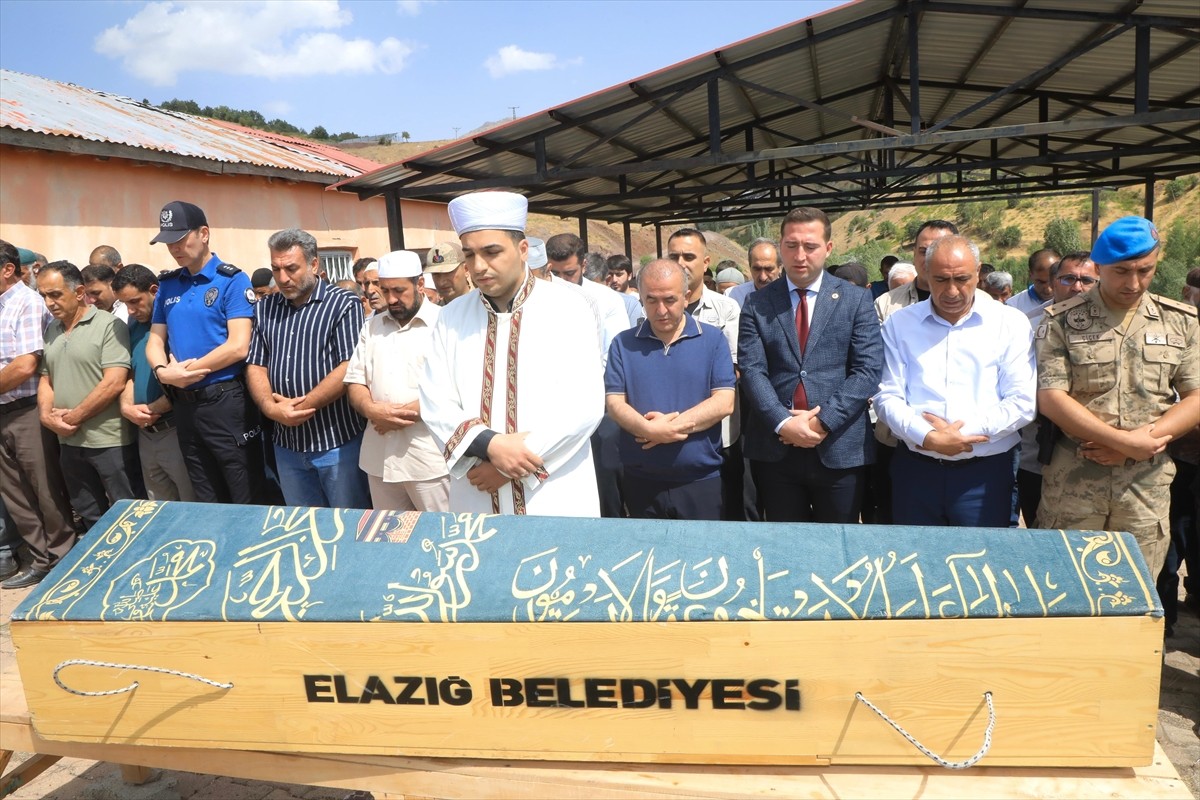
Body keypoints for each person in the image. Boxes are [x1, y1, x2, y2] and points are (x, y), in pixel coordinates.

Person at [419, 191, 604, 516]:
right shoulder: (451, 316)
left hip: (553, 490)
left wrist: (508, 465)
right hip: (477, 487)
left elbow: (585, 406)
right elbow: (435, 401)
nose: (479, 266)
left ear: (522, 250)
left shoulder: (570, 308)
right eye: (470, 255)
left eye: (492, 252)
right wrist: (490, 445)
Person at [1036, 217, 1199, 578]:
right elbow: (1051, 397)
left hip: (1145, 485)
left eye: (1145, 270)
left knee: (1137, 591)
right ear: (1098, 267)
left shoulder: (1180, 321)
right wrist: (1123, 442)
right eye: (1122, 271)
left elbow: (1195, 397)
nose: (1134, 282)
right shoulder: (1061, 321)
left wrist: (1144, 441)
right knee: (1066, 586)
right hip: (1076, 483)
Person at [874, 236, 1036, 527]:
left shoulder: (1009, 324)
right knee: (916, 563)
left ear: (978, 275)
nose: (951, 291)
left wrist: (958, 437)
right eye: (940, 280)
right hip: (916, 473)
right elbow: (887, 396)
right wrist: (927, 436)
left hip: (985, 475)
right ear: (925, 274)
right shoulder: (900, 324)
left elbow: (1022, 401)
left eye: (961, 279)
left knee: (981, 565)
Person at [739, 207, 883, 523]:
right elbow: (752, 369)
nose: (800, 255)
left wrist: (823, 422)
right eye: (791, 245)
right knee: (787, 548)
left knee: (838, 546)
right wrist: (783, 422)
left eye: (810, 246)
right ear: (781, 246)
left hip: (840, 446)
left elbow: (867, 369)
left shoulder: (855, 299)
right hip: (777, 449)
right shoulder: (758, 303)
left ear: (828, 248)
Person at [145, 200, 268, 505]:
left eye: (180, 239)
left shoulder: (231, 280)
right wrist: (165, 373)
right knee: (205, 493)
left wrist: (186, 372)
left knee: (244, 491)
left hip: (225, 401)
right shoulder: (168, 285)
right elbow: (155, 341)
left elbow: (239, 345)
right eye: (168, 242)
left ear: (204, 233)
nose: (174, 248)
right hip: (184, 406)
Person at [247, 229, 369, 509]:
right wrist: (270, 407)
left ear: (314, 265)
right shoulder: (265, 308)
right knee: (303, 531)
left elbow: (349, 366)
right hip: (287, 447)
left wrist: (301, 407)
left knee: (348, 527)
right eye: (276, 269)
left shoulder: (343, 304)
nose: (282, 278)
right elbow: (256, 365)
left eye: (291, 268)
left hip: (337, 444)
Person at [604, 259, 735, 519]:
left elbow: (724, 401)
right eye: (651, 300)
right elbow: (615, 403)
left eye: (669, 300)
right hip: (641, 480)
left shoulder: (712, 339)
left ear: (686, 297)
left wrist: (669, 429)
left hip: (700, 481)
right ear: (640, 297)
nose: (661, 310)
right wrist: (649, 430)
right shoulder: (624, 344)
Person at [345, 250, 449, 511]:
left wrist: (393, 416)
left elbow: (454, 387)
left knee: (441, 539)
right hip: (379, 459)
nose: (391, 299)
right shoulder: (372, 326)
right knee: (392, 541)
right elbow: (355, 381)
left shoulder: (445, 323)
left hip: (428, 460)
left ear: (420, 284)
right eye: (385, 289)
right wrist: (371, 410)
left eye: (399, 290)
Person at [36, 261, 136, 532]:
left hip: (109, 440)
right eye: (44, 295)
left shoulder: (109, 326)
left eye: (55, 294)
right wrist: (47, 417)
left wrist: (74, 416)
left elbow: (114, 382)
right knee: (90, 515)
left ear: (79, 291)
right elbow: (46, 378)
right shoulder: (52, 331)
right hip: (69, 442)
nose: (49, 303)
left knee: (127, 516)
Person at [0, 240, 75, 589]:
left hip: (27, 410)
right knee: (15, 491)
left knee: (45, 489)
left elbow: (26, 365)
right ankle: (39, 559)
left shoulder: (27, 304)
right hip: (4, 411)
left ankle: (62, 560)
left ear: (8, 269)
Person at [667, 229, 746, 520]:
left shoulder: (726, 309)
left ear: (706, 262)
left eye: (689, 256)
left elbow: (733, 370)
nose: (681, 263)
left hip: (718, 436)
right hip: (664, 434)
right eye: (674, 256)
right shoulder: (650, 308)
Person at [1014, 252, 1098, 527]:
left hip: (1098, 456)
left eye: (1087, 280)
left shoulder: (1116, 325)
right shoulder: (1026, 325)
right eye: (1068, 278)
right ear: (1053, 281)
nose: (1077, 287)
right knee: (1042, 538)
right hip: (1037, 456)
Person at [112, 265, 195, 502]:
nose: (131, 310)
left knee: (191, 503)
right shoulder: (134, 326)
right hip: (145, 433)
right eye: (125, 304)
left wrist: (152, 409)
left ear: (154, 290)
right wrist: (127, 407)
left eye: (135, 301)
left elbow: (186, 378)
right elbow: (131, 373)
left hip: (175, 429)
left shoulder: (176, 324)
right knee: (158, 506)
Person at [875, 221, 958, 322]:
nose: (930, 258)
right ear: (914, 254)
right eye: (924, 251)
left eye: (940, 252)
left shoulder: (980, 304)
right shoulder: (885, 305)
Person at [726, 238, 781, 309]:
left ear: (779, 268)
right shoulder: (734, 296)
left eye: (768, 269)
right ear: (750, 267)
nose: (763, 277)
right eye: (757, 269)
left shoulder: (792, 294)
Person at [1008, 248, 1060, 316]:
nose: (1048, 290)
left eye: (1052, 281)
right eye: (1041, 282)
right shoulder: (1013, 306)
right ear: (1030, 275)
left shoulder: (1073, 301)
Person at [423, 241, 472, 306]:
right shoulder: (434, 314)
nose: (441, 282)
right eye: (435, 274)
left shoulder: (485, 307)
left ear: (466, 269)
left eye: (448, 273)